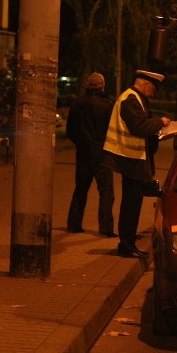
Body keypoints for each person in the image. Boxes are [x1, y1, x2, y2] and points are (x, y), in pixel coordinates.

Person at [103, 70, 171, 258]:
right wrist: (160, 122)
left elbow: (141, 126)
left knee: (132, 203)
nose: (154, 92)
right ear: (144, 84)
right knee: (131, 205)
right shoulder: (131, 100)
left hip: (133, 159)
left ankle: (128, 242)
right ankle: (126, 245)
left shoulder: (134, 98)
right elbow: (139, 127)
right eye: (153, 88)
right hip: (130, 159)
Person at [65, 72, 116, 236]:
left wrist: (81, 145)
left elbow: (70, 131)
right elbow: (112, 132)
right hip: (102, 155)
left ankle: (74, 224)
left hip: (83, 154)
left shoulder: (77, 105)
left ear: (87, 86)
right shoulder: (108, 106)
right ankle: (106, 229)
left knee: (80, 189)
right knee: (106, 192)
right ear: (102, 87)